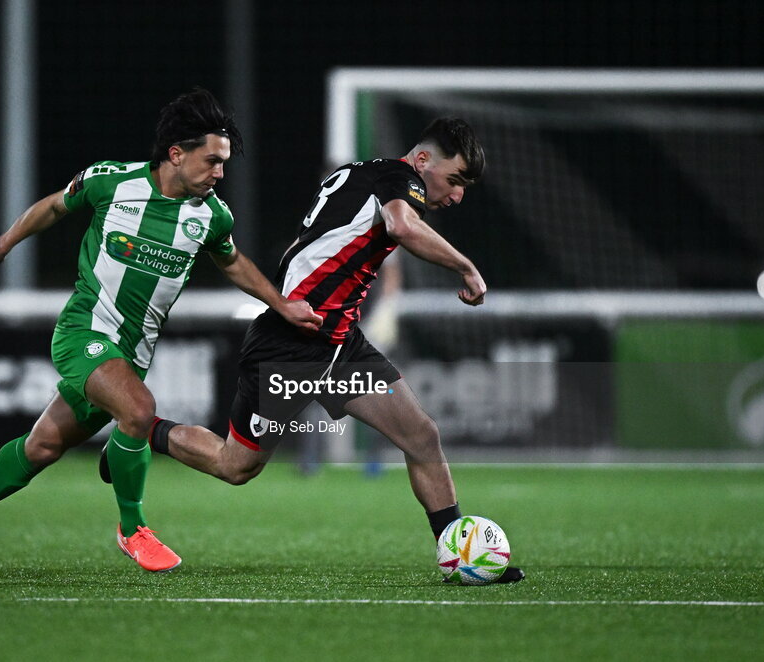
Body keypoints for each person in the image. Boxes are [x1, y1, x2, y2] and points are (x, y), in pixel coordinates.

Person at [109, 117, 524, 582]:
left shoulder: (364, 175)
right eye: (455, 180)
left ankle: (459, 557)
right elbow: (402, 226)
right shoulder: (398, 180)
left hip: (340, 345)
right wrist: (467, 268)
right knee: (236, 465)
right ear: (423, 160)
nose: (458, 195)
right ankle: (141, 432)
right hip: (291, 345)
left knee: (421, 435)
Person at [0, 88, 321, 572]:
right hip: (83, 331)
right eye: (212, 161)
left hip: (132, 354)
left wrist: (282, 304)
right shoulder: (112, 182)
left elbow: (233, 262)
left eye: (225, 163)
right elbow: (54, 206)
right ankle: (132, 528)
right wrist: (5, 243)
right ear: (176, 154)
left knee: (42, 447)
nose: (220, 173)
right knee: (139, 409)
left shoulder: (211, 215)